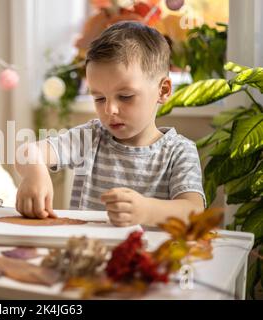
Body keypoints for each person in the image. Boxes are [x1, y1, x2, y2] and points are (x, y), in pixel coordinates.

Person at [15, 21, 205, 227]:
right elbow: (27, 152)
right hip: (88, 255)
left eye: (125, 96)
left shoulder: (179, 151)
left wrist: (147, 211)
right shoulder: (90, 137)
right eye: (99, 98)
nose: (109, 110)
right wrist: (35, 173)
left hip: (152, 257)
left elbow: (193, 210)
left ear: (163, 90)